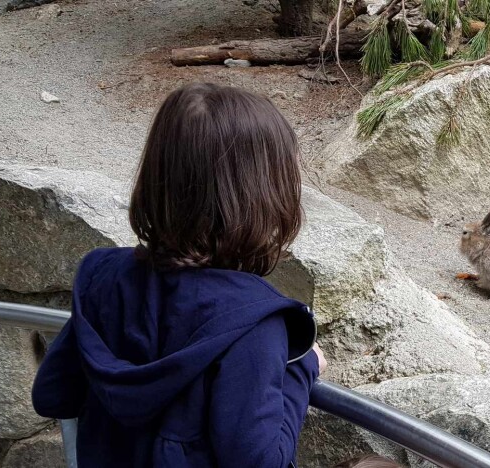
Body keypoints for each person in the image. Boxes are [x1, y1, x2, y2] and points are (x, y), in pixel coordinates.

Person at [31, 83, 326, 468]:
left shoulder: (101, 274)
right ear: (264, 195)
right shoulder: (254, 320)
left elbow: (53, 395)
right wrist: (303, 366)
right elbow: (260, 460)